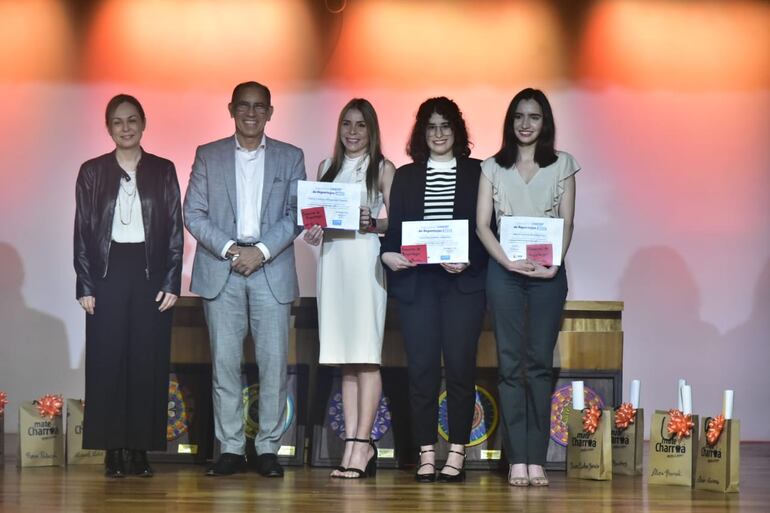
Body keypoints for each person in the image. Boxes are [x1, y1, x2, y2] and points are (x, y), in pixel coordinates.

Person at [184, 81, 305, 478]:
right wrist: (234, 251)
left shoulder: (291, 156)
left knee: (273, 365)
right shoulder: (208, 155)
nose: (251, 113)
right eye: (243, 106)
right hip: (223, 269)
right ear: (231, 109)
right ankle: (232, 449)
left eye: (259, 107)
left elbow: (296, 214)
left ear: (271, 112)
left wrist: (261, 252)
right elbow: (194, 214)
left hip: (271, 267)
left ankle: (268, 448)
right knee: (224, 364)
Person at [380, 97, 489, 483]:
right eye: (431, 127)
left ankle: (457, 451)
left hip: (463, 285)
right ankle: (426, 452)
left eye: (445, 126)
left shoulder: (480, 173)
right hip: (418, 285)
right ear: (421, 133)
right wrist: (388, 255)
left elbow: (487, 230)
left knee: (460, 370)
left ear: (457, 131)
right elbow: (394, 235)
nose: (439, 134)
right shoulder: (407, 176)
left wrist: (471, 260)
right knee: (422, 372)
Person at [74, 94, 183, 478]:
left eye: (132, 120)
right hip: (106, 272)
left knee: (146, 361)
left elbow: (174, 230)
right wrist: (84, 284)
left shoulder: (163, 170)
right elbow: (83, 231)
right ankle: (112, 448)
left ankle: (139, 449)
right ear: (108, 128)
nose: (126, 127)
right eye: (118, 121)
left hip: (150, 272)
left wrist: (172, 280)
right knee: (107, 362)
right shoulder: (92, 171)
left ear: (143, 123)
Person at [476, 88, 579, 487]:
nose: (525, 123)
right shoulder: (491, 167)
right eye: (519, 116)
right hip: (504, 272)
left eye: (533, 117)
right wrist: (505, 261)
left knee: (538, 363)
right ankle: (517, 457)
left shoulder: (564, 164)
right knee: (509, 363)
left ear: (544, 122)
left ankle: (536, 457)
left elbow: (568, 222)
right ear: (510, 121)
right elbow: (483, 224)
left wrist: (553, 265)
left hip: (547, 275)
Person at [303, 99, 395, 479]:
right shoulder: (326, 168)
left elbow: (397, 222)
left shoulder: (383, 168)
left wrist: (373, 221)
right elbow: (314, 219)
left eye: (360, 125)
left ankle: (361, 442)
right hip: (333, 265)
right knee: (346, 357)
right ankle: (356, 446)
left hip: (365, 265)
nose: (353, 132)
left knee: (367, 355)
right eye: (346, 124)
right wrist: (312, 231)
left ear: (372, 130)